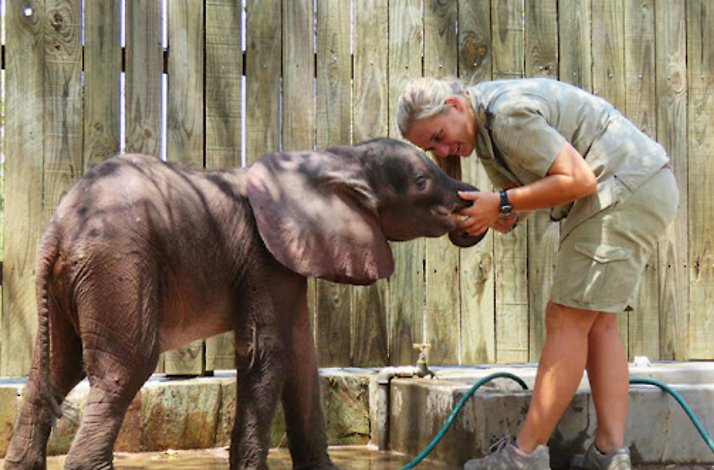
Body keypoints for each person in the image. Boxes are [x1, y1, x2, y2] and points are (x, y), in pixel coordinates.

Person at [397, 77, 678, 470]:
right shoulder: (490, 119)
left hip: (621, 190)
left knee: (565, 319)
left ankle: (523, 457)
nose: (444, 149)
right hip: (644, 183)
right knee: (597, 323)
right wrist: (502, 211)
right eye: (433, 147)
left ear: (453, 105)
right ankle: (609, 456)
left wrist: (503, 202)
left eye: (440, 135)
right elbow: (537, 185)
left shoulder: (506, 117)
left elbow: (577, 180)